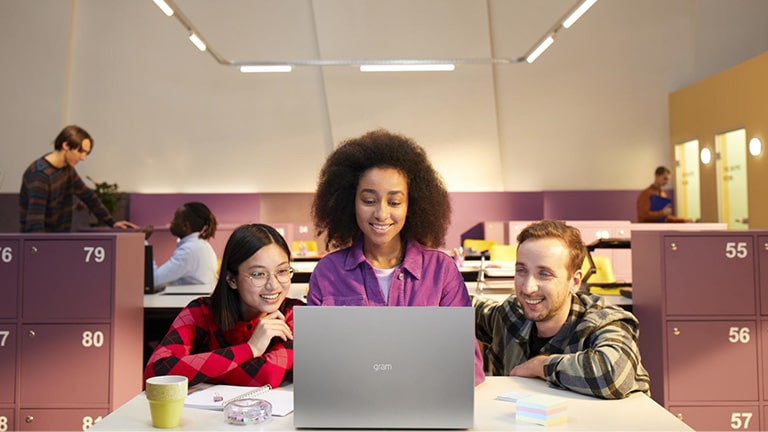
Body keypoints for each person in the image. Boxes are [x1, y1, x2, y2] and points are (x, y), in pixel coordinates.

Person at [307, 128, 486, 386]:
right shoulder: (328, 273)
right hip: (352, 399)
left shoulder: (441, 271)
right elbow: (315, 363)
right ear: (350, 202)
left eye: (394, 202)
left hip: (423, 400)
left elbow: (469, 367)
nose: (381, 214)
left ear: (412, 205)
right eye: (369, 200)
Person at [474, 219, 651, 399]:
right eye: (521, 270)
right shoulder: (512, 314)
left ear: (575, 282)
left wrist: (541, 365)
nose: (528, 288)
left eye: (544, 274)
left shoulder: (604, 321)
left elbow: (614, 374)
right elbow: (466, 308)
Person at [144, 223, 305, 387]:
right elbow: (156, 372)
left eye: (282, 271)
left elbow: (267, 374)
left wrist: (198, 371)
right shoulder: (201, 312)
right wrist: (250, 349)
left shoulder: (295, 314)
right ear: (231, 279)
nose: (273, 285)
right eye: (258, 274)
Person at [19, 124, 138, 232]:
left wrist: (112, 222)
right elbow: (35, 223)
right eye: (80, 152)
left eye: (86, 153)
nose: (83, 158)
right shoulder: (40, 175)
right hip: (40, 243)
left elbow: (88, 196)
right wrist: (40, 247)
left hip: (58, 238)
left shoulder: (67, 169)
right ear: (66, 145)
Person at [146, 202, 219, 289]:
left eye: (175, 219)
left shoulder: (189, 250)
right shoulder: (201, 245)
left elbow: (153, 280)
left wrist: (143, 240)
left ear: (185, 226)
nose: (171, 222)